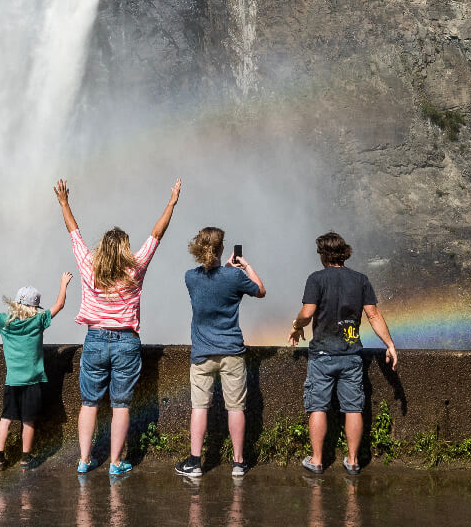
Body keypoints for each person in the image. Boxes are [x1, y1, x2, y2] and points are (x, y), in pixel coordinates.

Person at [55, 177, 180, 476]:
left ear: (102, 248)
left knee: (89, 403)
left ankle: (84, 460)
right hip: (126, 341)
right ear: (124, 249)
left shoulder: (88, 265)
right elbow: (156, 234)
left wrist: (64, 203)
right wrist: (171, 202)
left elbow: (74, 234)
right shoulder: (135, 269)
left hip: (95, 339)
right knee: (121, 405)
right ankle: (115, 463)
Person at [287, 231, 397, 475]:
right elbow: (374, 315)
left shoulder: (316, 279)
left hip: (323, 354)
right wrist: (389, 344)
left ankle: (316, 460)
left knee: (317, 407)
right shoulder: (360, 280)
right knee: (353, 408)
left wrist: (296, 327)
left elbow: (307, 313)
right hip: (351, 354)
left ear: (323, 254)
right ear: (343, 253)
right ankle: (353, 460)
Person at [174, 227, 265, 479]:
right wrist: (244, 267)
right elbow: (260, 290)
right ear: (222, 248)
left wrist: (225, 271)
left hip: (202, 354)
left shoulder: (190, 277)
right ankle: (238, 463)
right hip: (232, 353)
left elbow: (211, 283)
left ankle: (195, 462)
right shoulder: (234, 277)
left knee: (199, 407)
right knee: (236, 408)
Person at [0, 271, 72, 470]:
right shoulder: (37, 321)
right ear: (35, 306)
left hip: (12, 381)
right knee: (28, 421)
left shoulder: (4, 322)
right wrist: (63, 283)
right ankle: (25, 459)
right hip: (32, 381)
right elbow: (59, 305)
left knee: (5, 419)